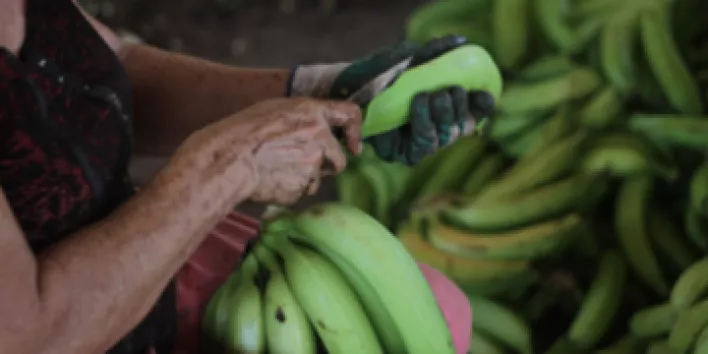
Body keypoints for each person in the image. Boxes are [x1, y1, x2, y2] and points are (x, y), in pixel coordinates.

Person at [0, 0, 495, 353]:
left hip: (137, 260)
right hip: (74, 318)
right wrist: (225, 166)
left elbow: (104, 64)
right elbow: (29, 335)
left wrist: (324, 90)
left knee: (439, 308)